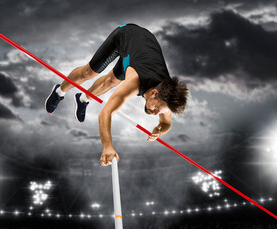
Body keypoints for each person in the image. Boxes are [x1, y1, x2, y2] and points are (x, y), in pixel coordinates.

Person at [45, 23, 188, 166]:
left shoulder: (167, 95)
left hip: (139, 51)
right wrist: (107, 146)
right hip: (126, 36)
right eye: (157, 108)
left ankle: (82, 99)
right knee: (89, 73)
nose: (156, 113)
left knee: (111, 81)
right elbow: (105, 113)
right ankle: (59, 92)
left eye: (160, 111)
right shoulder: (135, 83)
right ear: (153, 93)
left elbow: (165, 123)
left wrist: (160, 131)